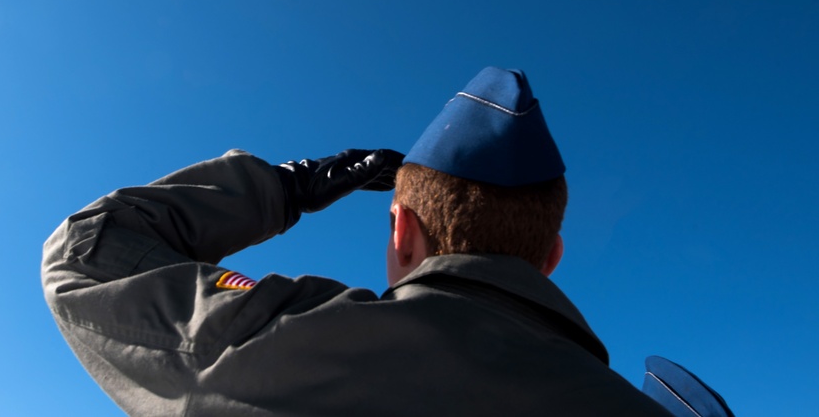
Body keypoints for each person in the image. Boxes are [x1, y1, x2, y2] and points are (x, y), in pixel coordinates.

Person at [42, 66, 671, 415]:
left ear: (401, 232)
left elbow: (87, 253)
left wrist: (295, 185)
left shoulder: (289, 343)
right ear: (552, 258)